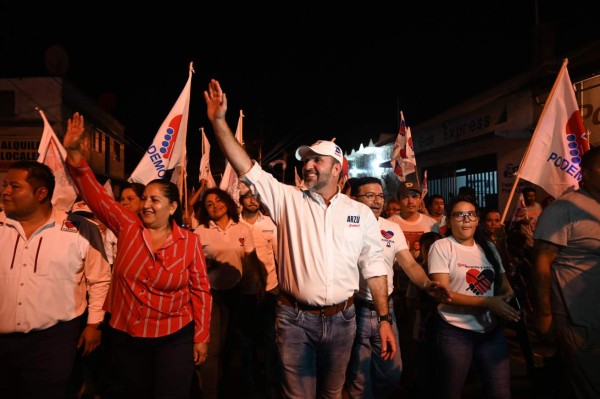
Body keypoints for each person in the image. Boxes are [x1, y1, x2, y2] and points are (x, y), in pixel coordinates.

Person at [204, 79, 394, 398]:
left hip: (343, 319)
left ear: (337, 170)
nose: (307, 165)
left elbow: (375, 267)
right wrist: (219, 122)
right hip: (293, 320)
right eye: (305, 160)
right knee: (296, 395)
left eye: (317, 160)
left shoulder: (359, 213)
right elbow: (246, 167)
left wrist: (385, 319)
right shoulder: (287, 199)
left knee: (333, 393)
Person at [63, 112, 212, 399]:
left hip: (174, 337)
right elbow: (97, 196)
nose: (146, 205)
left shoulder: (189, 242)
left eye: (155, 200)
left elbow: (202, 291)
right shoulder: (128, 227)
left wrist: (202, 337)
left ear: (172, 207)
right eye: (144, 199)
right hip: (126, 337)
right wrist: (74, 156)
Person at [0, 160, 111, 399]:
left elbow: (100, 280)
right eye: (5, 185)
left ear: (41, 193)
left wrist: (94, 324)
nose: (5, 191)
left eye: (14, 186)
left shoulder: (80, 228)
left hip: (54, 341)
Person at [345, 176, 451, 399]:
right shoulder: (346, 227)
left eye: (380, 196)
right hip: (355, 311)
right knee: (359, 379)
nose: (376, 201)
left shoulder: (391, 228)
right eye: (369, 195)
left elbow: (409, 263)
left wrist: (427, 284)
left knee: (391, 373)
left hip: (386, 310)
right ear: (354, 199)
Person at [428, 194, 519, 399]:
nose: (466, 219)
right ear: (449, 221)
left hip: (490, 330)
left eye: (470, 214)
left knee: (500, 391)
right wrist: (487, 302)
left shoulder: (489, 248)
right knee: (451, 391)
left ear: (477, 220)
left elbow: (505, 284)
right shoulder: (442, 247)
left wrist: (505, 297)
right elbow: (443, 294)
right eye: (459, 215)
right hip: (455, 330)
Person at [532, 146, 600, 398]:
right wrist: (545, 313)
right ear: (585, 173)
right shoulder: (564, 209)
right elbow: (541, 262)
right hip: (578, 320)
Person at [193, 187, 259, 399]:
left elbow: (250, 263)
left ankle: (229, 387)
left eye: (218, 201)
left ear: (228, 202)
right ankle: (209, 392)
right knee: (211, 349)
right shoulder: (200, 231)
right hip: (210, 296)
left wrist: (253, 288)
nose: (215, 206)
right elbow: (193, 265)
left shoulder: (242, 229)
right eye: (209, 204)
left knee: (232, 344)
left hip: (238, 294)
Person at [387, 180, 439, 391]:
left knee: (426, 336)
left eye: (415, 196)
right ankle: (405, 378)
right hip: (399, 287)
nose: (411, 200)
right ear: (399, 199)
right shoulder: (391, 223)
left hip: (425, 289)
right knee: (405, 335)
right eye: (406, 196)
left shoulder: (431, 223)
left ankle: (428, 378)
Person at [238, 183, 282, 398]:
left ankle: (271, 382)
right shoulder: (233, 223)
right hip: (242, 291)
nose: (253, 200)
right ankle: (249, 381)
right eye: (247, 196)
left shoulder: (270, 223)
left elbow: (279, 256)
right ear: (241, 200)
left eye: (256, 196)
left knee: (270, 337)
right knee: (245, 339)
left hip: (270, 289)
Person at [405, 231, 443, 398]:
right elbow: (410, 301)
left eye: (435, 248)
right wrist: (431, 306)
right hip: (423, 327)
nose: (431, 253)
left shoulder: (446, 270)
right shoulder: (419, 271)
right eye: (428, 248)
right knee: (424, 362)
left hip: (444, 328)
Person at [511, 186, 543, 252]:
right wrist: (522, 221)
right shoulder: (521, 208)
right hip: (526, 241)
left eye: (533, 196)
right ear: (524, 197)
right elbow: (513, 223)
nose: (531, 198)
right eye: (529, 196)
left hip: (537, 238)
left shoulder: (538, 206)